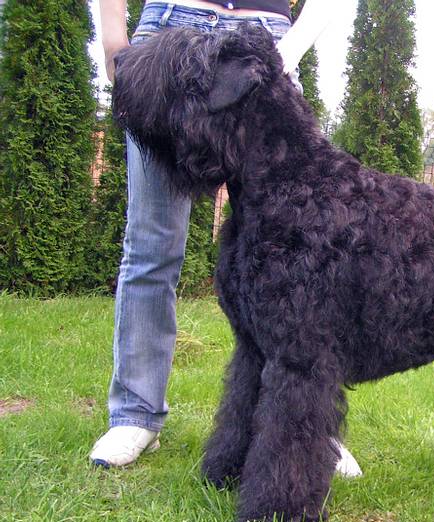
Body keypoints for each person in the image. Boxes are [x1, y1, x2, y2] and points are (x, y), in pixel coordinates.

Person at [89, 0, 362, 477]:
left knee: (303, 267)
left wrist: (290, 49)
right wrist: (114, 37)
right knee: (151, 248)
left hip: (266, 42)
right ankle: (135, 413)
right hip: (173, 34)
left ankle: (309, 430)